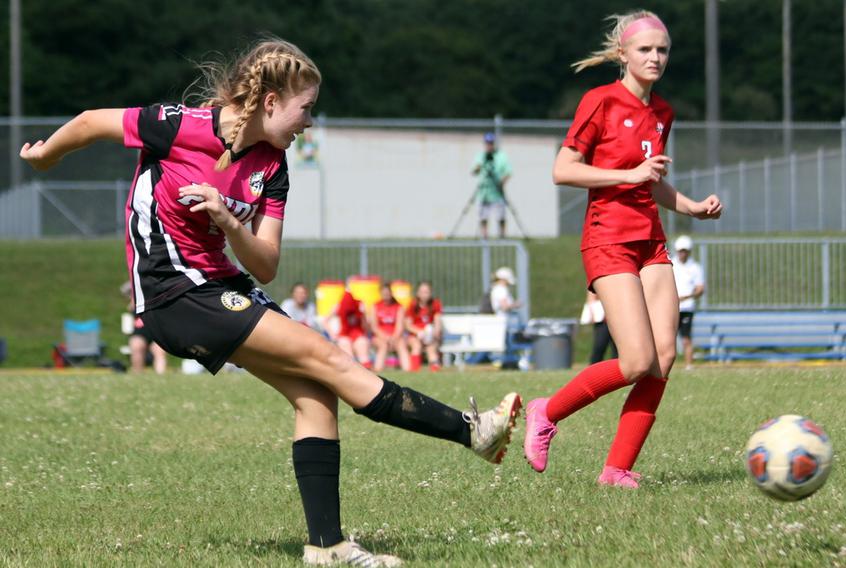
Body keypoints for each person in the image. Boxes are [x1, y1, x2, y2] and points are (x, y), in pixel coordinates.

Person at [20, 39, 521, 566]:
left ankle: (326, 546)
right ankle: (472, 432)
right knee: (329, 359)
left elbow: (265, 264)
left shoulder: (275, 166)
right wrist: (47, 155)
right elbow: (94, 121)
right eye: (305, 108)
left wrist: (227, 219)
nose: (309, 121)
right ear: (270, 101)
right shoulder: (181, 125)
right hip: (172, 290)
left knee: (316, 394)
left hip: (224, 284)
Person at [522, 11, 722, 489]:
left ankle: (617, 470)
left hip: (651, 240)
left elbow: (652, 182)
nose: (656, 57)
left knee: (664, 357)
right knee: (635, 361)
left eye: (663, 50)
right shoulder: (601, 101)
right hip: (607, 238)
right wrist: (627, 176)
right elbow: (564, 169)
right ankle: (546, 412)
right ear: (623, 54)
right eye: (646, 49)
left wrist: (690, 206)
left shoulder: (663, 113)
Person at [671, 235, 705, 370]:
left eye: (684, 251)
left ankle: (689, 365)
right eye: (680, 251)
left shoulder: (695, 268)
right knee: (667, 338)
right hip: (671, 307)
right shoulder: (671, 264)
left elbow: (700, 288)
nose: (682, 253)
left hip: (686, 308)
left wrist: (687, 297)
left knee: (686, 339)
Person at [470, 132, 512, 239]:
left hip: (497, 192)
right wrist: (478, 167)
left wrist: (501, 182)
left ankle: (502, 236)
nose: (489, 145)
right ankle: (484, 236)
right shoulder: (481, 156)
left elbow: (508, 172)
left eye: (491, 143)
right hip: (484, 192)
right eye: (487, 143)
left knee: (501, 216)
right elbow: (473, 171)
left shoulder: (501, 156)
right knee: (483, 216)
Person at [121, 281, 167, 374]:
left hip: (156, 330)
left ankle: (161, 375)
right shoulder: (136, 296)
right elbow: (124, 289)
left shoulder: (157, 293)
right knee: (136, 346)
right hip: (140, 331)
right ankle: (138, 373)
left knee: (159, 351)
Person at [369, 282, 410, 372]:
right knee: (383, 346)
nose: (386, 295)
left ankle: (408, 370)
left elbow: (400, 326)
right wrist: (385, 337)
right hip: (379, 337)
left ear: (391, 293)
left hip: (396, 337)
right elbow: (374, 327)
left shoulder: (399, 307)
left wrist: (393, 338)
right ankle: (378, 369)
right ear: (381, 293)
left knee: (401, 344)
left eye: (388, 293)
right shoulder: (375, 306)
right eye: (384, 293)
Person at [405, 281, 443, 372]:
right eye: (422, 292)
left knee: (431, 347)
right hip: (415, 335)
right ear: (418, 293)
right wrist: (418, 332)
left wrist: (434, 333)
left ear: (430, 293)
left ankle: (435, 369)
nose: (424, 295)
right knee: (416, 345)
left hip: (431, 335)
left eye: (426, 292)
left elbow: (437, 322)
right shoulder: (413, 304)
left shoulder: (435, 304)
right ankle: (415, 369)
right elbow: (407, 325)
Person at [333, 288, 372, 369]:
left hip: (357, 334)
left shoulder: (359, 306)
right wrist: (332, 334)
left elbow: (366, 327)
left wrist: (363, 315)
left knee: (362, 342)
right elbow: (325, 320)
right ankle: (353, 369)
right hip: (344, 334)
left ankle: (365, 366)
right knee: (345, 344)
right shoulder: (339, 306)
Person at [580, 289, 615, 364]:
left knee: (618, 349)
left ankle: (617, 371)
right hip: (603, 320)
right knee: (600, 346)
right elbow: (591, 296)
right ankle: (593, 368)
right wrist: (592, 312)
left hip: (618, 320)